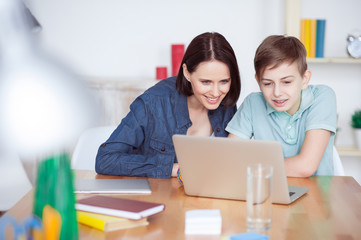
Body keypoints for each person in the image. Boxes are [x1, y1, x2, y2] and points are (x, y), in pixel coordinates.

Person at [95, 32, 241, 178]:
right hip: (159, 196)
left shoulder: (226, 102)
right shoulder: (152, 103)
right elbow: (105, 160)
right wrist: (171, 168)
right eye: (206, 82)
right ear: (186, 72)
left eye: (224, 81)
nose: (216, 93)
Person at [226, 35, 337, 177]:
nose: (277, 93)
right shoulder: (253, 103)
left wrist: (252, 168)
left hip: (317, 195)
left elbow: (305, 166)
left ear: (305, 79)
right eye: (267, 83)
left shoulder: (322, 96)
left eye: (287, 82)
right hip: (271, 191)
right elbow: (230, 157)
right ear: (258, 81)